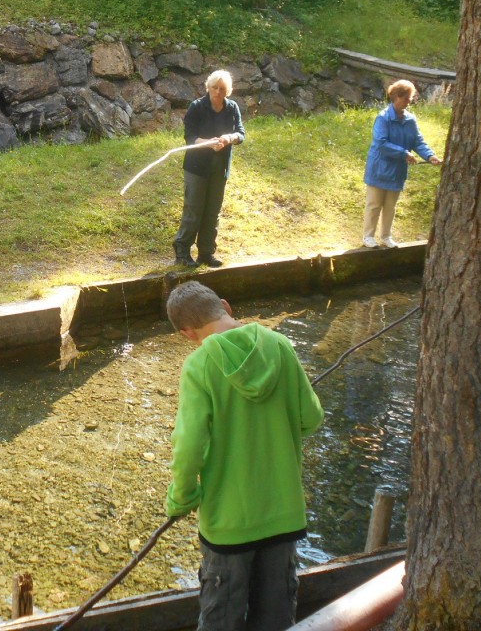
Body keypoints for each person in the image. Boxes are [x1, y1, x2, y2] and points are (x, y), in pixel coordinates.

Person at [165, 280, 324, 631]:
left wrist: (182, 497)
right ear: (226, 305)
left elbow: (188, 445)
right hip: (283, 516)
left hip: (228, 527)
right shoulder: (280, 346)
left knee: (222, 618)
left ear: (187, 332)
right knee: (276, 618)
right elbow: (311, 419)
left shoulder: (199, 365)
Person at [173, 70, 245, 268]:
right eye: (214, 88)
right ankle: (182, 251)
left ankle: (206, 253)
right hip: (196, 167)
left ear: (228, 91)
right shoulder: (197, 107)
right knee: (193, 210)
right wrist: (208, 143)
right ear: (208, 87)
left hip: (220, 169)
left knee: (213, 211)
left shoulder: (232, 108)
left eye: (222, 89)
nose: (218, 92)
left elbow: (241, 133)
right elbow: (189, 137)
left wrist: (230, 138)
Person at [362, 79, 442, 249]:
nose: (409, 102)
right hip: (379, 168)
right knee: (374, 204)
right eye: (406, 98)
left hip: (397, 170)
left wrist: (429, 156)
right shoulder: (383, 118)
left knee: (390, 206)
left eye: (409, 98)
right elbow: (381, 143)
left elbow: (418, 141)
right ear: (397, 97)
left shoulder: (410, 120)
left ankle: (386, 236)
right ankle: (368, 236)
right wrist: (403, 153)